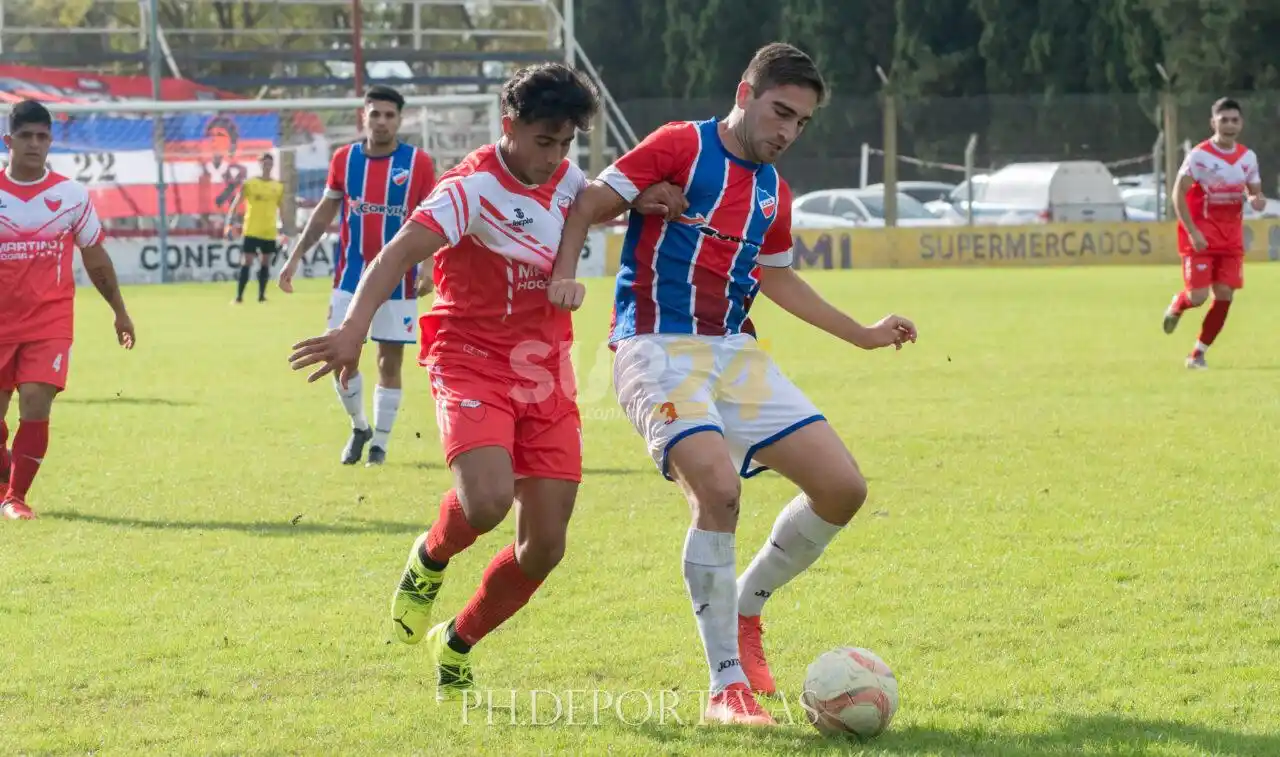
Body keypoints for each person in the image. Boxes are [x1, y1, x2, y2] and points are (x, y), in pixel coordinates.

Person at [287, 63, 686, 701]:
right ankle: (431, 558)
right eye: (543, 142)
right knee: (488, 502)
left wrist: (645, 198)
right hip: (469, 355)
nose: (554, 157)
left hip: (544, 366)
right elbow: (394, 255)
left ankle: (458, 640)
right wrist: (353, 331)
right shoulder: (467, 190)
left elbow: (586, 208)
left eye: (565, 145)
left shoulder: (566, 177)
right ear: (510, 126)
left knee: (546, 548)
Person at [549, 43, 918, 726]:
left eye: (802, 122)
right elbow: (589, 203)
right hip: (652, 345)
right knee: (719, 489)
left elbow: (775, 277)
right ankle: (725, 686)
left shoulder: (776, 190)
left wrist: (863, 333)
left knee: (844, 488)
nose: (787, 132)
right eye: (780, 112)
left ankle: (747, 607)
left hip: (734, 353)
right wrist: (566, 273)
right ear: (745, 92)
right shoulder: (679, 144)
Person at [278, 85, 437, 466]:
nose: (382, 121)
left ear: (399, 120)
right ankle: (359, 426)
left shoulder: (418, 163)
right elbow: (324, 213)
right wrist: (295, 256)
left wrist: (430, 265)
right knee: (341, 358)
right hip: (349, 278)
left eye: (389, 115)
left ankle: (380, 444)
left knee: (389, 361)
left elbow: (434, 217)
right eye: (375, 114)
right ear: (363, 116)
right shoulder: (344, 160)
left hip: (399, 281)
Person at [0, 99, 136, 520]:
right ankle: (6, 474)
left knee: (36, 402)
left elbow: (96, 259)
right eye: (26, 136)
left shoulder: (71, 195)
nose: (35, 144)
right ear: (9, 141)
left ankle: (15, 497)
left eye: (43, 137)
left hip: (49, 322)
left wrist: (120, 310)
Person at [1161, 97, 1264, 369]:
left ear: (1241, 123)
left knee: (1225, 296)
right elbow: (1178, 193)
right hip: (1202, 235)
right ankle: (1178, 305)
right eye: (1224, 120)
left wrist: (1257, 200)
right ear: (1213, 122)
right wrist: (1192, 231)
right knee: (1198, 297)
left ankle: (1197, 354)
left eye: (1234, 120)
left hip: (1231, 238)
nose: (1229, 125)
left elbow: (1254, 192)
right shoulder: (1199, 156)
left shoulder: (1248, 157)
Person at [224, 152, 285, 304]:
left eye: (270, 163)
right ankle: (239, 297)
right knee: (247, 262)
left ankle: (261, 296)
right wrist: (230, 221)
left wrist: (282, 227)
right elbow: (237, 202)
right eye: (264, 163)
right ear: (260, 164)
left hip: (269, 231)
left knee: (265, 263)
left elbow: (281, 208)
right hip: (251, 229)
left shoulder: (277, 186)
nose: (267, 166)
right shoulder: (250, 184)